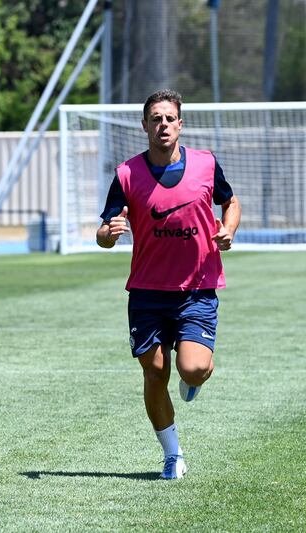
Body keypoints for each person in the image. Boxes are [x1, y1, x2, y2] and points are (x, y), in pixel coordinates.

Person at [96, 89, 241, 479]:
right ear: (144, 126)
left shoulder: (207, 165)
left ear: (180, 124)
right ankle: (172, 454)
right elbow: (104, 232)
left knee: (192, 369)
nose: (163, 124)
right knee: (155, 372)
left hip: (197, 287)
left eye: (169, 118)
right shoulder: (126, 174)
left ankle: (195, 380)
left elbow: (230, 202)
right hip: (147, 291)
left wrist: (227, 230)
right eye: (155, 118)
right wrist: (109, 233)